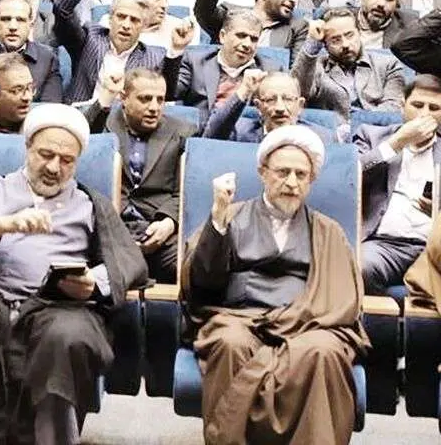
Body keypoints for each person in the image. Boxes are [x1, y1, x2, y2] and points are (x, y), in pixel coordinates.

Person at [0, 104, 147, 444]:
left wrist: (93, 284)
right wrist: (1, 224)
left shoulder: (88, 204)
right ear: (27, 148)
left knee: (68, 339)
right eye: (46, 154)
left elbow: (127, 261)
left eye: (67, 160)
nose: (54, 167)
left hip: (59, 307)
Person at [184, 126, 368, 445]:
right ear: (263, 173)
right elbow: (202, 284)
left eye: (301, 174)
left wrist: (293, 321)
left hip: (308, 324)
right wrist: (217, 221)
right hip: (240, 318)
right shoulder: (230, 216)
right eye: (283, 172)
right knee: (229, 342)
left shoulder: (328, 231)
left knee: (324, 351)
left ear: (311, 180)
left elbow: (341, 300)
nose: (291, 182)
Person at [83, 66, 198, 282]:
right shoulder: (105, 122)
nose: (154, 107)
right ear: (124, 98)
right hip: (113, 230)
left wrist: (169, 222)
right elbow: (79, 139)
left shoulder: (183, 131)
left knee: (193, 269)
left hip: (159, 228)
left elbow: (186, 188)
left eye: (160, 100)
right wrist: (105, 99)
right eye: (145, 99)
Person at [353, 75, 441, 294]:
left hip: (434, 246)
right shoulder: (371, 135)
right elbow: (349, 176)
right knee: (361, 267)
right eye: (417, 105)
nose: (424, 114)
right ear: (402, 105)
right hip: (383, 245)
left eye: (434, 108)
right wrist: (397, 143)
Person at [54, 0, 189, 104]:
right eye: (121, 17)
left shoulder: (153, 57)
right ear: (110, 19)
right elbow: (62, 9)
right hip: (80, 116)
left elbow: (168, 94)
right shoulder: (90, 38)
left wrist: (176, 49)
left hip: (123, 119)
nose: (126, 25)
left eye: (134, 20)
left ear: (143, 26)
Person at [293, 11, 405, 116]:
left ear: (359, 33)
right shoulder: (316, 68)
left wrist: (357, 119)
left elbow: (393, 108)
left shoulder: (389, 65)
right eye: (335, 40)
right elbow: (297, 93)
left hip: (378, 128)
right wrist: (313, 42)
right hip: (331, 128)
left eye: (350, 35)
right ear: (325, 45)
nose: (345, 44)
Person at [173, 10, 284, 113]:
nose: (247, 44)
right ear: (222, 36)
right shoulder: (195, 62)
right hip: (202, 126)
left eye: (254, 39)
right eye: (241, 36)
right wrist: (176, 50)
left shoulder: (270, 70)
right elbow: (171, 93)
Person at [203, 70, 337, 144]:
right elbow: (209, 139)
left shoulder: (322, 138)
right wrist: (244, 91)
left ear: (300, 105)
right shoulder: (239, 132)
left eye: (287, 99)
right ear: (258, 107)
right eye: (270, 100)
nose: (280, 108)